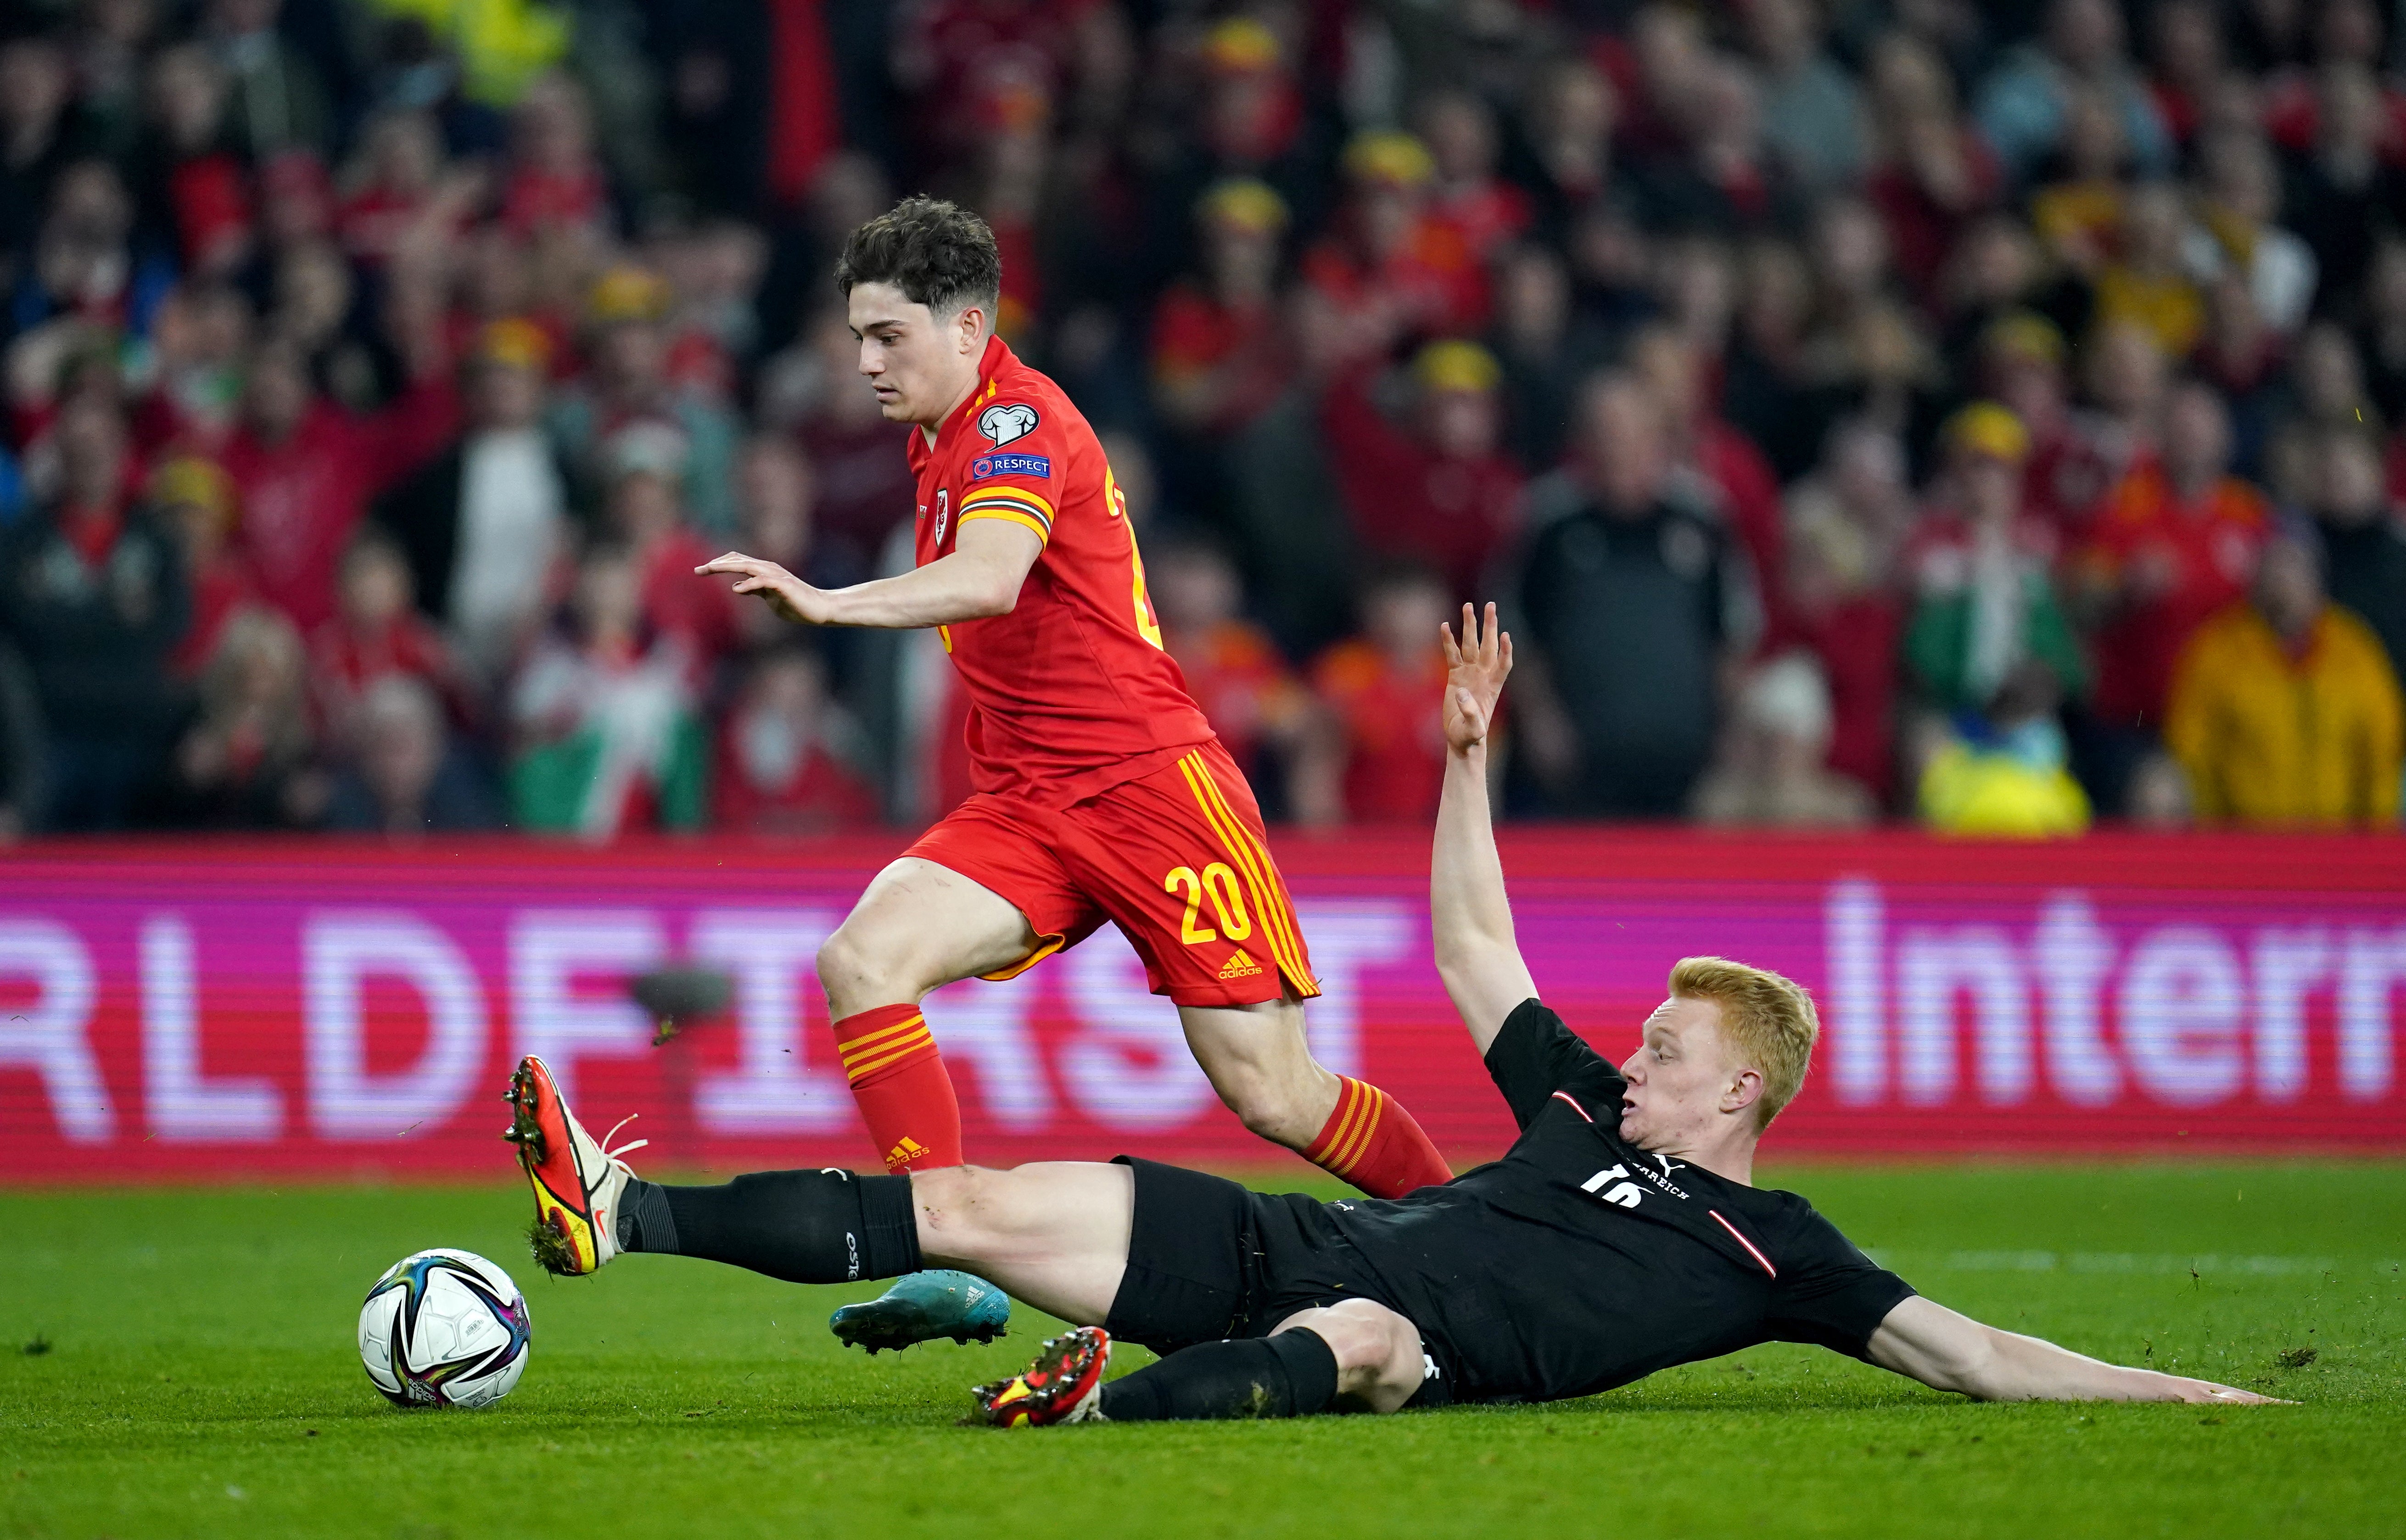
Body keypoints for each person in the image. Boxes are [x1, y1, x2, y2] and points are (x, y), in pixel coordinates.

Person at [500, 604, 2281, 1426]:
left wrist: (2181, 1392)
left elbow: (1965, 1354)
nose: (1631, 1047)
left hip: (1397, 1336)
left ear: (1739, 1084)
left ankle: (1099, 1411)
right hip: (1292, 1235)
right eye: (1643, 1035)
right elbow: (1471, 950)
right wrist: (1462, 758)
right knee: (970, 1200)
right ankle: (619, 1204)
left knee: (1361, 1344)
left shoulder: (1769, 1245)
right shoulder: (1580, 1103)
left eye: (1666, 1041)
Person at [681, 198, 1451, 1296]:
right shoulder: (934, 436)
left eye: (887, 334)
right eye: (856, 335)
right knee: (861, 961)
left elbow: (989, 577)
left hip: (1151, 789)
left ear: (967, 326)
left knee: (1272, 1093)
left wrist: (830, 604)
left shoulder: (1015, 423)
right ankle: (945, 1252)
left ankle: (1479, 1235)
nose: (863, 360)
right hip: (1029, 797)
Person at [2164, 521, 2402, 826]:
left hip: (2339, 841)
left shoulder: (2355, 649)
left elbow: (2382, 751)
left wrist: (2376, 839)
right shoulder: (2216, 651)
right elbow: (2191, 756)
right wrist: (2211, 842)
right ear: (2255, 579)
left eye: (2295, 567)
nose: (2284, 581)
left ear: (2318, 578)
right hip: (2247, 842)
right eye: (2273, 568)